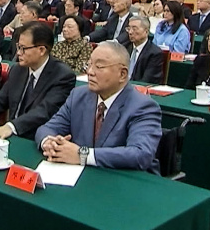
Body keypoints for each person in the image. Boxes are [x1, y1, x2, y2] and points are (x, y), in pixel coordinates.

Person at [35, 41, 162, 171]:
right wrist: (49, 143)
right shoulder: (78, 96)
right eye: (89, 65)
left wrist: (82, 155)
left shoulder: (143, 106)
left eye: (99, 67)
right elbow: (47, 128)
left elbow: (141, 154)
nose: (90, 72)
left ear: (122, 74)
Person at [125, 17, 164, 84]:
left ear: (146, 31)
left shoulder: (155, 53)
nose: (130, 32)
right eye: (129, 29)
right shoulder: (124, 48)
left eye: (134, 29)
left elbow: (147, 80)